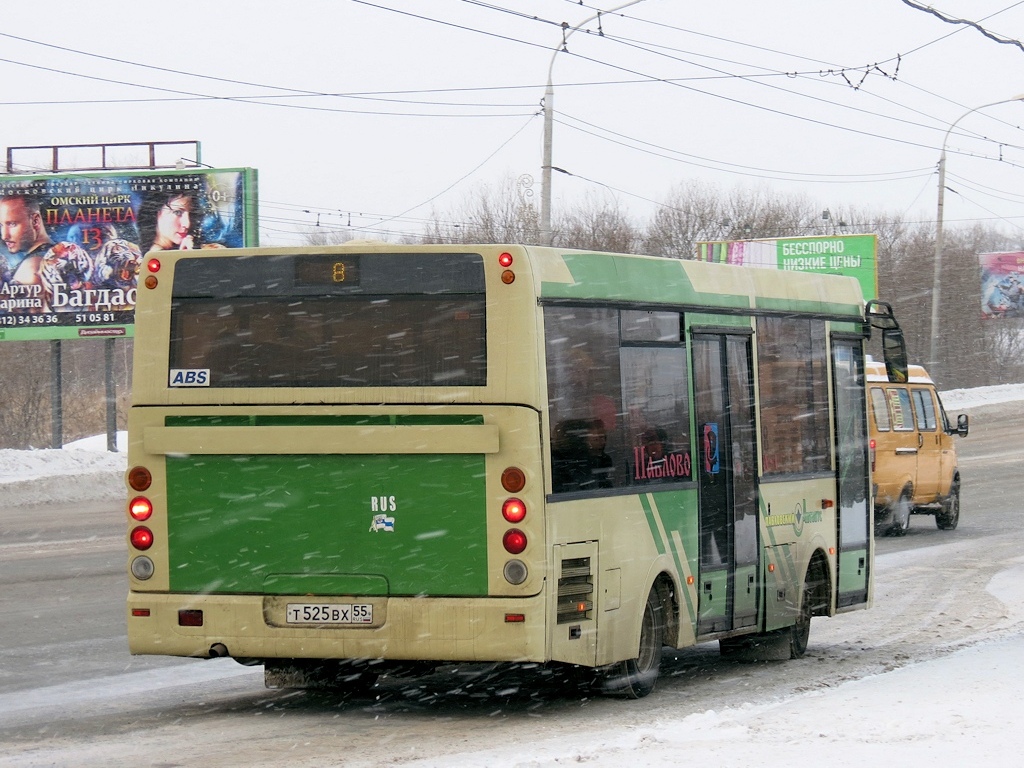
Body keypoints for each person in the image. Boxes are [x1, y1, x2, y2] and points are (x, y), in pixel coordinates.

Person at [0, 194, 50, 287]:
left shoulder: (31, 269)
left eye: (12, 224)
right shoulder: (52, 252)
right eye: (1, 226)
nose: (4, 236)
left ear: (35, 221)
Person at [136, 192, 201, 252]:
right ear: (157, 214)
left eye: (191, 214)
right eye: (177, 212)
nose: (187, 224)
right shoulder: (158, 255)